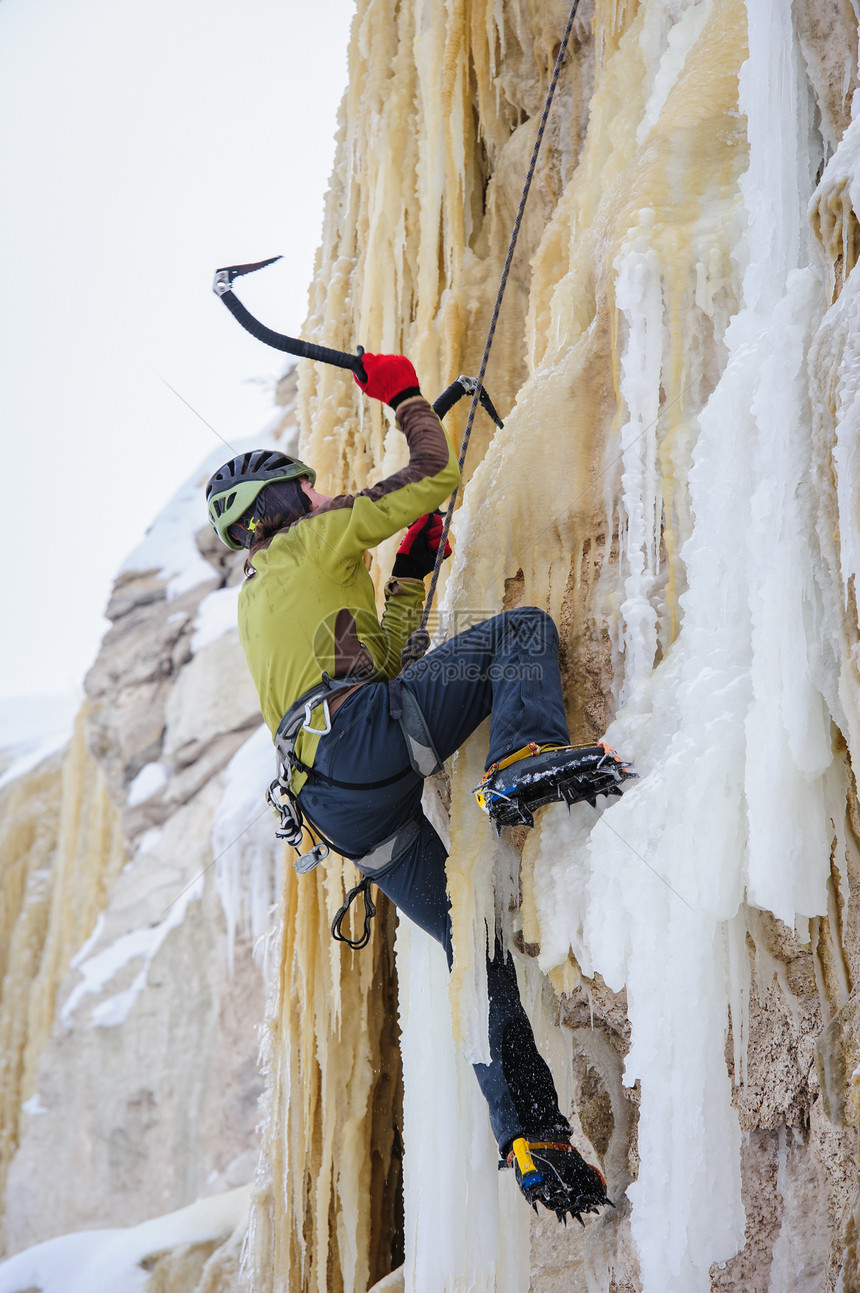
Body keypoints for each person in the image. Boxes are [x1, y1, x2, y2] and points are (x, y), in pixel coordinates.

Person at [205, 352, 621, 1222]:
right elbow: (436, 473)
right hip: (362, 741)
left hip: (340, 806)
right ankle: (521, 759)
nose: (325, 498)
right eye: (308, 491)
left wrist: (409, 571)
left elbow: (385, 662)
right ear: (281, 510)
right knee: (521, 632)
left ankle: (530, 1136)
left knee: (478, 948)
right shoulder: (312, 538)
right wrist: (401, 395)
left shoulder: (262, 596)